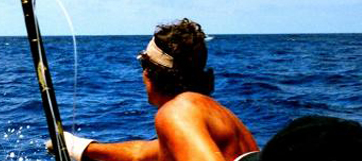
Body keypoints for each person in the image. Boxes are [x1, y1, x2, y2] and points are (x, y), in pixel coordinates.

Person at [48, 18, 258, 161]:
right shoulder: (217, 114)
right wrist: (78, 147)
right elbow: (140, 154)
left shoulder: (176, 112)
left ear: (150, 73)